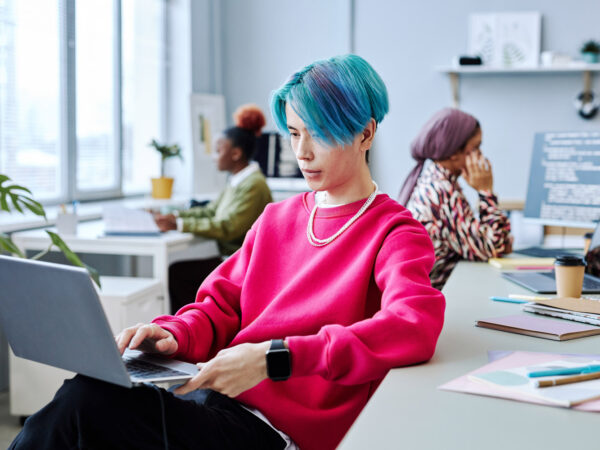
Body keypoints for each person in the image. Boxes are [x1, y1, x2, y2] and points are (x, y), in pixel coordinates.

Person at [10, 54, 445, 450]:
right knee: (88, 393)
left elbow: (413, 327)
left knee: (86, 407)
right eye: (294, 133)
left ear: (365, 133)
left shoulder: (395, 232)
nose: (303, 152)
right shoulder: (276, 220)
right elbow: (217, 307)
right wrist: (174, 334)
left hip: (277, 433)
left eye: (321, 135)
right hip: (213, 398)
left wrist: (274, 358)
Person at [155, 104, 273, 313]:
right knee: (179, 272)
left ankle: (188, 332)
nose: (214, 156)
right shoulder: (237, 180)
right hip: (232, 258)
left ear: (236, 153)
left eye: (218, 150)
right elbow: (211, 210)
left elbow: (229, 227)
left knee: (178, 274)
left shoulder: (254, 185)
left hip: (243, 263)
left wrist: (179, 224)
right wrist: (173, 216)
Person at [398, 107, 512, 290]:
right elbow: (492, 247)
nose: (480, 156)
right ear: (453, 152)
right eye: (475, 148)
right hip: (434, 301)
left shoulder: (437, 181)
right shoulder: (440, 192)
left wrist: (498, 240)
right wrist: (485, 191)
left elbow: (495, 241)